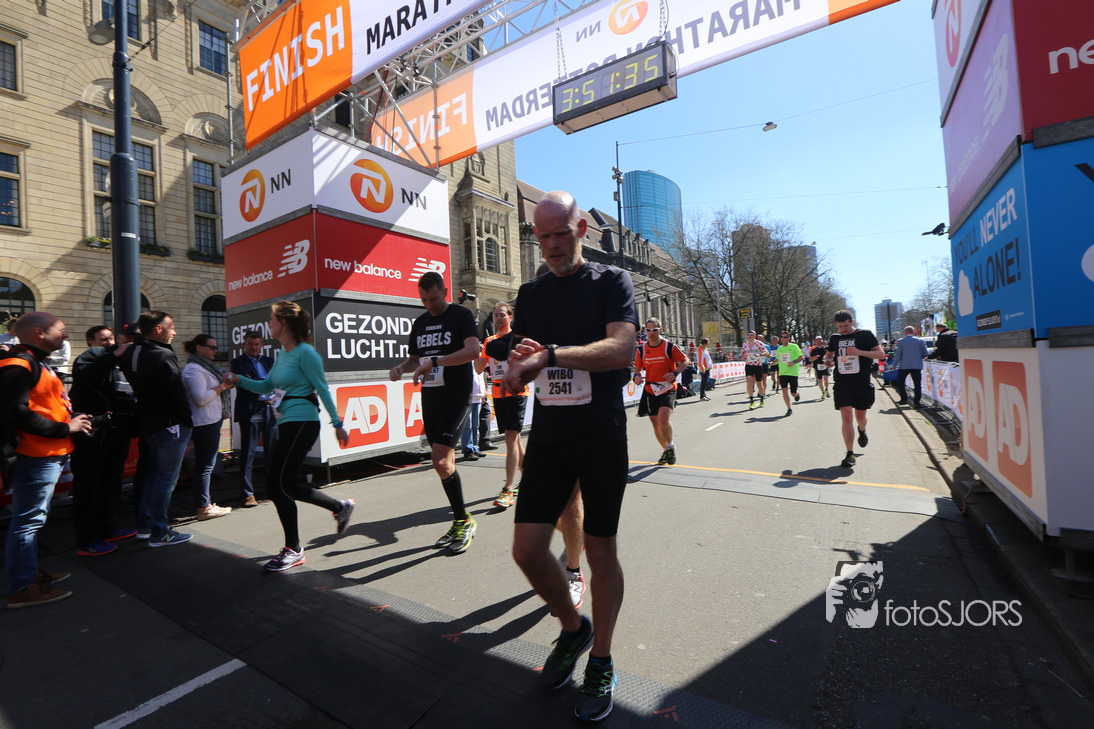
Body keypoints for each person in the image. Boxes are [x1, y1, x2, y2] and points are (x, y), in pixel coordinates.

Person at [502, 190, 638, 722]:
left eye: (562, 233)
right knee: (527, 551)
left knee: (601, 552)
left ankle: (601, 658)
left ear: (581, 229)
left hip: (601, 436)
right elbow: (524, 352)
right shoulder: (530, 293)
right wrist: (517, 363)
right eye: (544, 236)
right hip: (550, 437)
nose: (553, 244)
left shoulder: (611, 281)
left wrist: (551, 356)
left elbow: (621, 348)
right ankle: (574, 629)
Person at [227, 301, 352, 571]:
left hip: (303, 422)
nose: (269, 324)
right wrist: (239, 380)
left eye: (272, 320)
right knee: (288, 485)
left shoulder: (306, 353)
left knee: (276, 485)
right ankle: (339, 507)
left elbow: (322, 388)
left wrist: (337, 424)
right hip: (287, 422)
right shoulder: (283, 354)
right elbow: (266, 386)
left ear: (283, 323)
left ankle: (294, 548)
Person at [1, 312, 92, 607]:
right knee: (28, 521)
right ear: (40, 332)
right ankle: (22, 586)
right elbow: (15, 412)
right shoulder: (19, 363)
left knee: (31, 519)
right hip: (36, 454)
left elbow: (40, 405)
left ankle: (29, 574)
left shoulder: (33, 361)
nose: (66, 335)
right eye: (61, 330)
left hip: (45, 452)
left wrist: (71, 420)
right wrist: (65, 428)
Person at [389, 272, 482, 555]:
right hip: (431, 397)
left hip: (456, 396)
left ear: (445, 292)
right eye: (424, 300)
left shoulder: (461, 316)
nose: (429, 305)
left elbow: (473, 351)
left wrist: (436, 361)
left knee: (440, 461)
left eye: (434, 299)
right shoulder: (420, 322)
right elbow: (415, 360)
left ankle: (463, 521)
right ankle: (460, 521)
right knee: (445, 464)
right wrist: (401, 368)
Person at [117, 311, 196, 548]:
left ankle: (145, 526)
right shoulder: (162, 354)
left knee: (153, 476)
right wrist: (188, 421)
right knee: (165, 479)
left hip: (148, 423)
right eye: (171, 327)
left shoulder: (131, 352)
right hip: (170, 424)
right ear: (158, 329)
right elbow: (176, 392)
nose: (175, 332)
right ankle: (159, 531)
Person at [68, 325, 138, 557]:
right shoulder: (94, 356)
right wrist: (114, 354)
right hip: (94, 433)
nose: (109, 343)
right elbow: (84, 377)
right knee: (89, 486)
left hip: (117, 431)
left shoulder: (123, 360)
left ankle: (108, 529)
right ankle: (88, 540)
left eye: (111, 339)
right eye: (104, 339)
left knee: (111, 482)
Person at [479, 302, 528, 509]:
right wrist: (479, 351)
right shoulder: (489, 341)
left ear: (510, 317)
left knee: (510, 437)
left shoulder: (517, 339)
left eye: (502, 315)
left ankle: (507, 489)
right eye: (496, 315)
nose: (498, 318)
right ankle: (528, 479)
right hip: (498, 393)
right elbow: (478, 367)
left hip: (516, 392)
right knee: (515, 440)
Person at [823, 311, 885, 468]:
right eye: (840, 327)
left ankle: (862, 430)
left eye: (846, 325)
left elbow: (880, 354)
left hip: (862, 382)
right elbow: (829, 354)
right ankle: (849, 453)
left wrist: (859, 352)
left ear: (852, 321)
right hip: (842, 382)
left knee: (861, 417)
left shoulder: (865, 335)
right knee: (846, 416)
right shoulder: (835, 338)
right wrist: (828, 361)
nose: (843, 329)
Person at [181, 334, 232, 522]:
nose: (215, 351)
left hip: (210, 421)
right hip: (203, 423)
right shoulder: (194, 369)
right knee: (205, 466)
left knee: (205, 465)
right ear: (198, 347)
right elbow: (200, 398)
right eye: (212, 347)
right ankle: (203, 507)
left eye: (216, 348)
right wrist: (222, 386)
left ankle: (205, 504)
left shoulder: (203, 367)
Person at [632, 317, 689, 465]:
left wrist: (675, 373)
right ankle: (666, 450)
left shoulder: (669, 346)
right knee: (655, 423)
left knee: (663, 419)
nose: (651, 333)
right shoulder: (641, 349)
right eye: (648, 330)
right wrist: (636, 377)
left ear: (661, 330)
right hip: (650, 389)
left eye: (655, 330)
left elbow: (685, 361)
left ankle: (670, 447)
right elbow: (637, 369)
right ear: (645, 330)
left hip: (668, 388)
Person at [231, 331, 277, 508]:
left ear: (262, 345)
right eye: (250, 344)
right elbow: (247, 383)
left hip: (270, 408)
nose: (254, 347)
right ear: (244, 345)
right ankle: (248, 493)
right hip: (251, 411)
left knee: (272, 452)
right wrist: (266, 382)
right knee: (248, 453)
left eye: (257, 344)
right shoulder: (238, 362)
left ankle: (273, 489)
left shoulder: (270, 361)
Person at [891, 326, 929, 408]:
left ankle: (904, 399)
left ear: (905, 332)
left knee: (901, 382)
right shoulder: (921, 341)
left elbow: (898, 355)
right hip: (917, 365)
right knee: (917, 384)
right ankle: (917, 402)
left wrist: (894, 365)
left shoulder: (901, 341)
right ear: (913, 332)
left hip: (904, 365)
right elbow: (926, 353)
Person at [775, 332, 804, 416]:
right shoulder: (779, 349)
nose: (783, 338)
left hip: (793, 373)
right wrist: (772, 362)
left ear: (789, 338)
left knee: (793, 393)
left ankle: (797, 393)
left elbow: (801, 357)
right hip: (782, 373)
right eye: (782, 337)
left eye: (785, 337)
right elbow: (777, 359)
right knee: (784, 390)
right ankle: (789, 408)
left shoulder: (794, 346)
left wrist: (793, 362)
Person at [461, 366, 485, 461]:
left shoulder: (479, 361)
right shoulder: (465, 360)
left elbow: (481, 377)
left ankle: (475, 448)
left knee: (476, 425)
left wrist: (483, 393)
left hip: (478, 397)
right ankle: (468, 449)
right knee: (468, 426)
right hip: (467, 396)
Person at [741, 331, 769, 409]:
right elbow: (743, 354)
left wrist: (760, 354)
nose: (749, 336)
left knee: (759, 383)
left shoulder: (759, 343)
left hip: (757, 365)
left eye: (751, 334)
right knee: (749, 382)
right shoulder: (745, 344)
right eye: (748, 335)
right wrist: (743, 356)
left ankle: (762, 399)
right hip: (748, 365)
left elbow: (766, 352)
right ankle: (751, 401)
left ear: (754, 336)